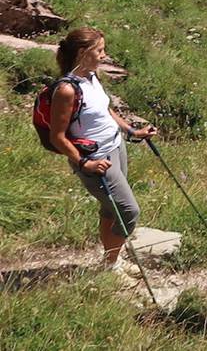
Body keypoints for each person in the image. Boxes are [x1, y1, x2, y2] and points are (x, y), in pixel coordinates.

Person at [47, 27, 157, 268]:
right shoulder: (66, 89)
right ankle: (111, 264)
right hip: (95, 159)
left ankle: (110, 261)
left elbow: (105, 111)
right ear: (83, 53)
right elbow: (57, 136)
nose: (104, 55)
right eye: (100, 50)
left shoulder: (91, 77)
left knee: (110, 208)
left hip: (115, 148)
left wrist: (132, 132)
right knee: (128, 212)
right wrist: (84, 163)